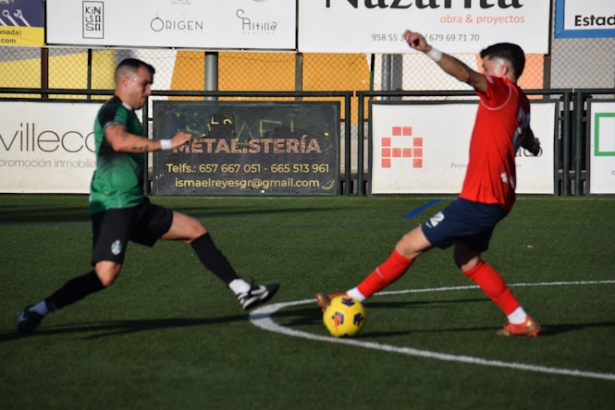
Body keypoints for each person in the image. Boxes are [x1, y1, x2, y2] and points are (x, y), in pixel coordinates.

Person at [17, 58, 279, 334]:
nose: (149, 90)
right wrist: (167, 143)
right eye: (145, 83)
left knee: (195, 230)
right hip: (114, 207)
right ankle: (35, 311)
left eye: (150, 84)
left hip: (135, 204)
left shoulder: (129, 113)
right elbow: (118, 140)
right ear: (125, 82)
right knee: (105, 276)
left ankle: (242, 290)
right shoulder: (114, 112)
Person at [316, 31, 542, 337]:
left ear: (502, 71)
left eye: (486, 68)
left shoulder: (500, 89)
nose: (483, 73)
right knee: (468, 260)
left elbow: (464, 74)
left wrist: (428, 50)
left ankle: (350, 299)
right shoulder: (522, 101)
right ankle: (520, 320)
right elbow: (526, 134)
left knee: (407, 246)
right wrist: (530, 144)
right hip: (498, 198)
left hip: (481, 197)